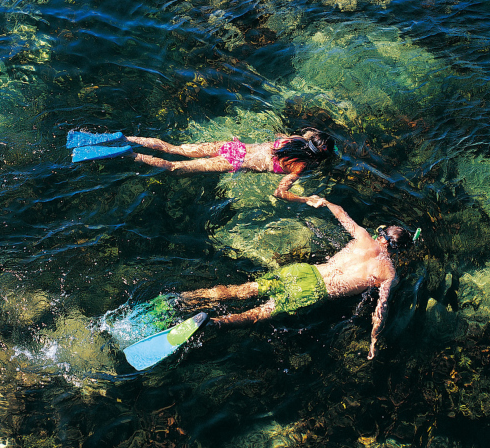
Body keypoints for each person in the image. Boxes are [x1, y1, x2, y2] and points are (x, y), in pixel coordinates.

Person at [177, 200, 413, 359]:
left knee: (245, 289)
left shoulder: (363, 236)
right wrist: (373, 339)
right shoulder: (388, 273)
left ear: (381, 235)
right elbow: (381, 307)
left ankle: (186, 298)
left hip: (303, 271)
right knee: (260, 313)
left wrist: (324, 202)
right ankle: (214, 323)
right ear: (397, 250)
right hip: (313, 291)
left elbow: (341, 212)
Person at [124, 128, 336, 205]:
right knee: (172, 166)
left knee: (174, 148)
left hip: (234, 147)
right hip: (234, 162)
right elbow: (279, 192)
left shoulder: (294, 139)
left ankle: (127, 138)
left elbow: (279, 136)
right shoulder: (299, 166)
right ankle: (132, 155)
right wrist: (305, 199)